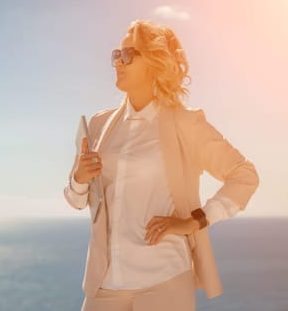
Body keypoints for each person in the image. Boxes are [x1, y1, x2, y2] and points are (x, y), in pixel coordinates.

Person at [63, 19, 260, 311]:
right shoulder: (99, 125)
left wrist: (195, 220)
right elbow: (77, 200)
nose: (119, 62)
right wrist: (79, 178)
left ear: (155, 62)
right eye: (117, 54)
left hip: (164, 280)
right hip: (105, 284)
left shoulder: (185, 124)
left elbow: (244, 175)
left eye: (129, 55)